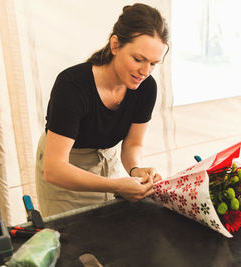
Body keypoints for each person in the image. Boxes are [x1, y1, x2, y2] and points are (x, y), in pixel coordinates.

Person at [35, 3, 169, 217]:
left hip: (107, 163)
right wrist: (116, 186)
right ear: (115, 45)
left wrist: (135, 170)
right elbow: (54, 169)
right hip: (66, 170)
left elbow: (133, 144)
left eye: (153, 63)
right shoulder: (72, 85)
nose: (145, 71)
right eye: (138, 59)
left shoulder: (146, 88)